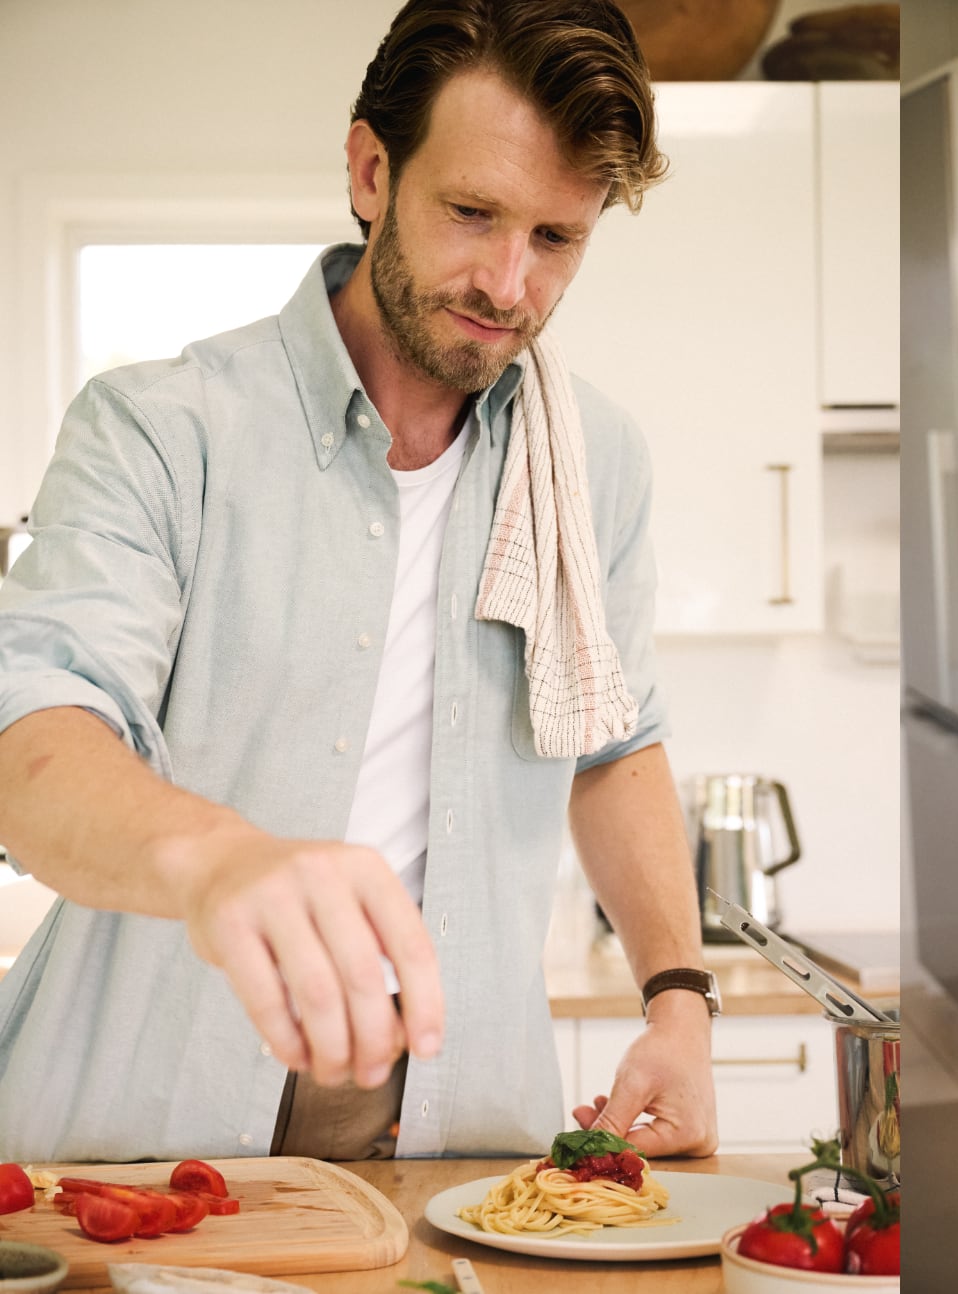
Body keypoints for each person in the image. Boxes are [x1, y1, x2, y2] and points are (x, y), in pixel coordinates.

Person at [0, 0, 721, 1164]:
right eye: (473, 213)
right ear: (372, 169)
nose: (507, 282)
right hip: (131, 1119)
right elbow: (30, 731)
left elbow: (614, 742)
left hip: (450, 1131)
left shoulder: (590, 458)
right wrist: (222, 861)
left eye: (557, 238)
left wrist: (678, 1000)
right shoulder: (161, 427)